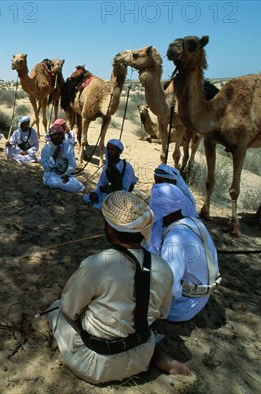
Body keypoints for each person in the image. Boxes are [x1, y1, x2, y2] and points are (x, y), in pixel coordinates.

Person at [48, 191, 189, 384]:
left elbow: (69, 310)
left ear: (110, 230)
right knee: (142, 326)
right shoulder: (164, 268)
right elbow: (162, 313)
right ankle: (157, 356)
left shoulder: (94, 265)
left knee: (56, 309)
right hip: (140, 359)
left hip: (97, 366)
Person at [148, 183, 221, 322]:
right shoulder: (194, 222)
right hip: (202, 298)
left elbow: (170, 288)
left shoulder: (174, 239)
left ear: (161, 209)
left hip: (182, 307)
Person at [83, 139, 137, 210]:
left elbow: (124, 190)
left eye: (113, 149)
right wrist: (95, 193)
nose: (110, 152)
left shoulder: (127, 167)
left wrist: (109, 189)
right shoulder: (107, 165)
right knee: (86, 198)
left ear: (119, 152)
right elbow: (101, 184)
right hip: (106, 194)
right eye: (108, 149)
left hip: (119, 197)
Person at [40, 125, 85, 193]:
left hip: (64, 173)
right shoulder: (46, 149)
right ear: (51, 136)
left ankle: (63, 184)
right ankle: (62, 185)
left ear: (63, 135)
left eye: (59, 134)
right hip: (52, 173)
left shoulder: (68, 147)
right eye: (54, 134)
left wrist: (66, 174)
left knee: (77, 187)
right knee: (49, 182)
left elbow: (72, 164)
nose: (57, 136)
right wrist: (54, 156)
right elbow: (46, 167)